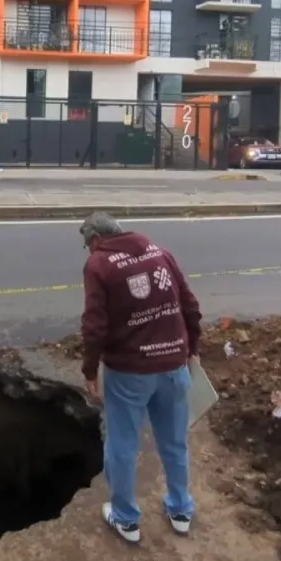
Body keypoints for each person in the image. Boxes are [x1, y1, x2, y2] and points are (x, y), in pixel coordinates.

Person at [78, 212, 202, 544]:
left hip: (130, 371)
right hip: (174, 364)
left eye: (88, 245)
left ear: (95, 240)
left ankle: (126, 519)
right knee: (175, 441)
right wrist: (193, 347)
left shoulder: (99, 266)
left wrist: (90, 370)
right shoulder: (161, 254)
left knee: (121, 443)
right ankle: (180, 511)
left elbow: (95, 326)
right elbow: (189, 304)